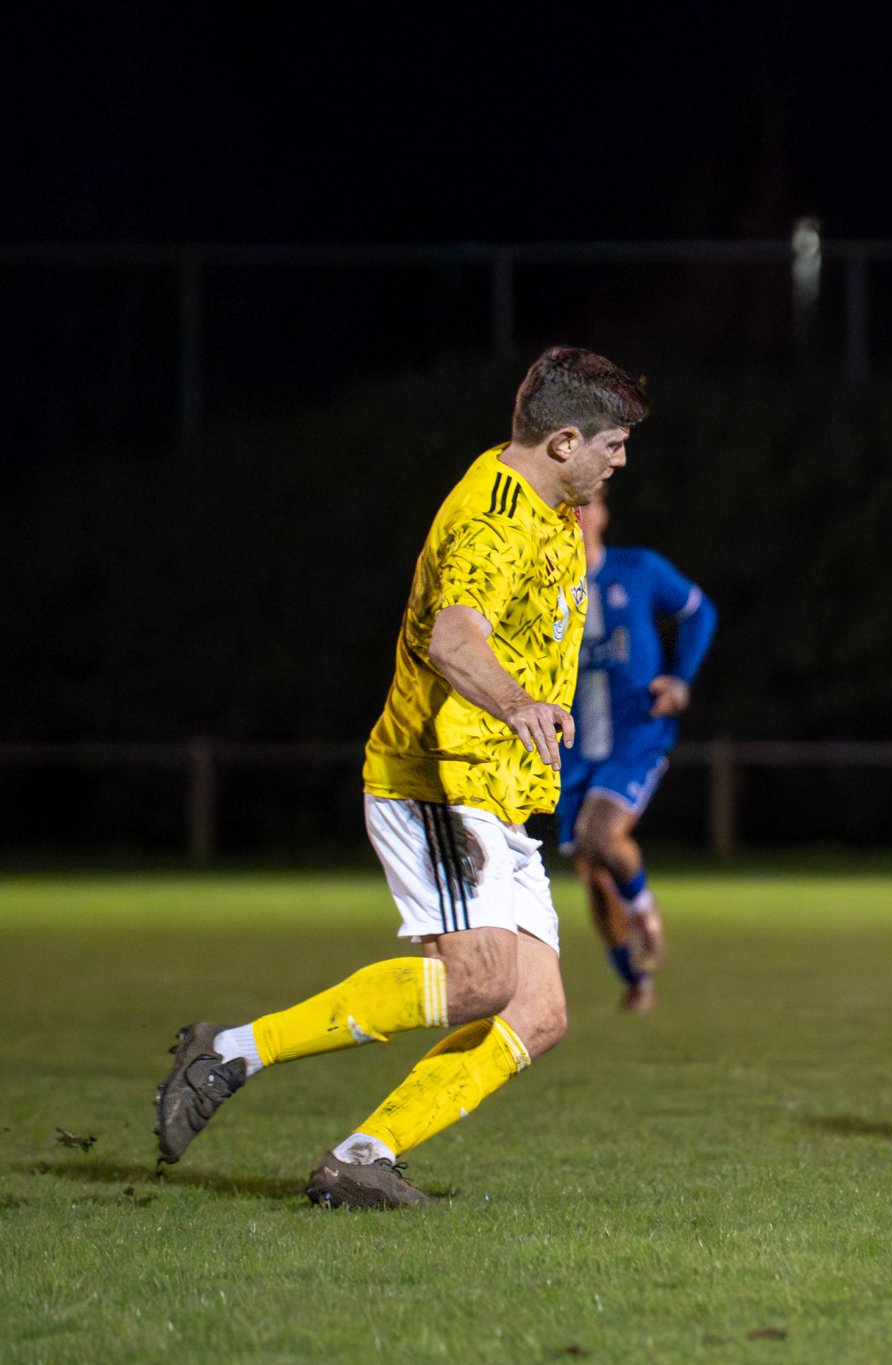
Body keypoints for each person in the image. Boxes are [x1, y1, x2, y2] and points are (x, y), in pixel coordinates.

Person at [153, 346, 650, 1209]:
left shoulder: (553, 507)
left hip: (498, 785)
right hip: (438, 775)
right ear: (564, 441)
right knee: (481, 981)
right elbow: (454, 640)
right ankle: (230, 1050)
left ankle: (360, 1157)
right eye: (612, 444)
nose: (621, 461)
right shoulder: (491, 520)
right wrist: (518, 701)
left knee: (537, 1013)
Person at [559, 484, 717, 1013]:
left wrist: (679, 679)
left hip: (636, 733)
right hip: (573, 746)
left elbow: (700, 611)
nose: (577, 515)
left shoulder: (639, 570)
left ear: (603, 512)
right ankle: (634, 977)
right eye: (566, 506)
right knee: (591, 867)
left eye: (588, 504)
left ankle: (644, 910)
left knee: (598, 835)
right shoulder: (541, 590)